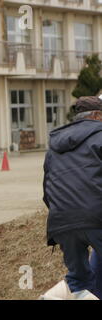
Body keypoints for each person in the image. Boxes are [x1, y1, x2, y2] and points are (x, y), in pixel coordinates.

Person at [43, 96, 102, 298]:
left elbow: (47, 189)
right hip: (96, 216)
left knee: (78, 281)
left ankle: (59, 296)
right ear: (96, 115)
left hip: (61, 221)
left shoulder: (54, 146)